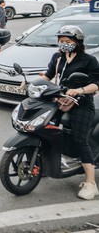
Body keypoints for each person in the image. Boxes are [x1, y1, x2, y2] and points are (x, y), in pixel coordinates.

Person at [40, 25, 99, 200]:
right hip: (59, 101)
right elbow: (49, 75)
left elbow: (97, 83)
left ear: (77, 42)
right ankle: (43, 161)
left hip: (81, 104)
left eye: (67, 41)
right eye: (61, 41)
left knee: (80, 138)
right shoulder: (58, 57)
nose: (63, 44)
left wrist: (80, 90)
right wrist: (31, 83)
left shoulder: (88, 60)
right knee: (44, 129)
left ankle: (90, 183)